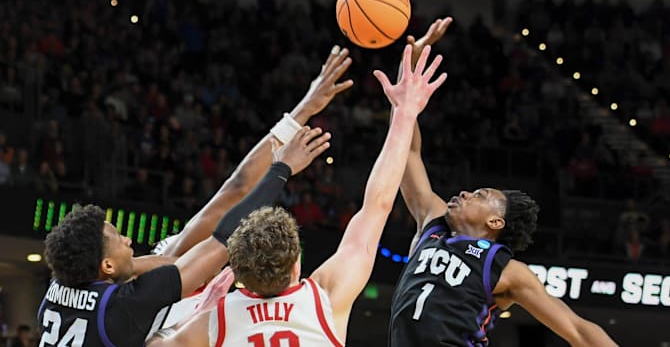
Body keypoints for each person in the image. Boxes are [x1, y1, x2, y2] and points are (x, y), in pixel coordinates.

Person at [145, 44, 447, 346]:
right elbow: (378, 205)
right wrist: (405, 113)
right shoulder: (325, 299)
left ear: (235, 269)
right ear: (296, 263)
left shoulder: (215, 320)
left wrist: (190, 319)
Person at [388, 18, 618, 347]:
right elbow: (408, 151)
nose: (465, 192)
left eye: (480, 195)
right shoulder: (432, 224)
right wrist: (408, 72)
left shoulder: (505, 269)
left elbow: (576, 328)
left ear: (496, 221)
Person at [38, 126, 331, 347]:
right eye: (118, 239)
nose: (128, 240)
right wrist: (281, 170)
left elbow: (133, 267)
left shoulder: (62, 282)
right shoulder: (124, 307)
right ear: (107, 267)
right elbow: (220, 241)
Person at [145, 45, 354, 335]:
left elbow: (237, 190)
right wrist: (302, 113)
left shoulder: (221, 312)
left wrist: (304, 111)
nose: (129, 241)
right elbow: (237, 190)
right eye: (117, 237)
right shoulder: (172, 269)